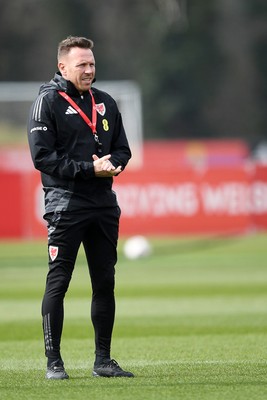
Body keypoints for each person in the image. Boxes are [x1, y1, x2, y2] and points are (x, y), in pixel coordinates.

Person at [27, 36, 133, 379]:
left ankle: (103, 360)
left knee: (105, 282)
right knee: (59, 281)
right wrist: (90, 169)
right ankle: (53, 362)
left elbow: (122, 149)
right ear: (63, 67)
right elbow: (42, 157)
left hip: (103, 203)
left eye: (92, 64)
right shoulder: (47, 102)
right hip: (66, 204)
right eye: (81, 65)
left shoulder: (105, 102)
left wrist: (112, 163)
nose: (89, 70)